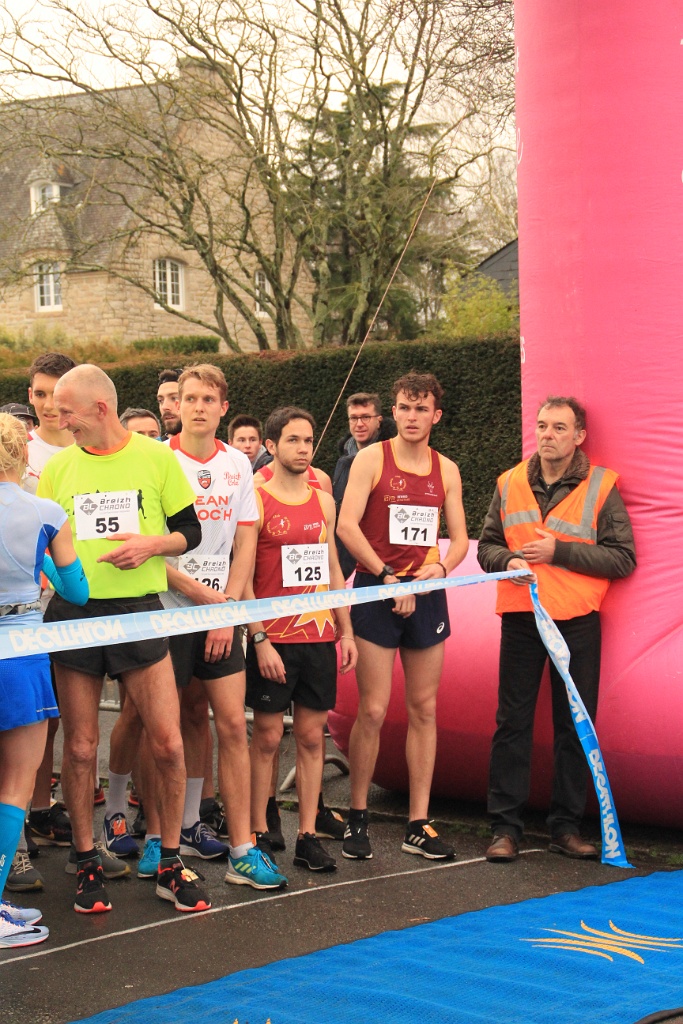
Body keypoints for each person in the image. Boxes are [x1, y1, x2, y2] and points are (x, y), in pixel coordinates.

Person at [37, 364, 211, 914]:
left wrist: (151, 546)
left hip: (138, 611)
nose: (60, 421)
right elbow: (43, 544)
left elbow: (191, 531)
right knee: (80, 746)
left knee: (168, 742)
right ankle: (86, 860)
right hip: (76, 614)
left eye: (68, 412)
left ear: (100, 408)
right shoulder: (58, 467)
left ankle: (170, 862)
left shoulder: (156, 457)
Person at [477, 396, 636, 863]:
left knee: (574, 726)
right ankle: (504, 830)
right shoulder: (509, 482)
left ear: (579, 436)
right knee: (512, 723)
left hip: (576, 620)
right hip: (522, 617)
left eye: (559, 428)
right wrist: (507, 560)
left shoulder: (601, 486)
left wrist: (558, 552)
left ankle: (565, 828)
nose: (547, 435)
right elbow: (487, 546)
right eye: (543, 426)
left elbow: (623, 558)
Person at [151, 364, 286, 890]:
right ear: (177, 405)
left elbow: (246, 542)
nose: (199, 407)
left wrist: (225, 609)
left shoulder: (237, 464)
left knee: (231, 725)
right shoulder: (156, 458)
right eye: (190, 398)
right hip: (166, 610)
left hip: (221, 612)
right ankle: (165, 838)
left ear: (223, 408)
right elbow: (147, 548)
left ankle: (243, 851)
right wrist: (200, 596)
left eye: (209, 399)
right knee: (169, 729)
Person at [337, 371, 468, 861]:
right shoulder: (371, 459)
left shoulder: (447, 469)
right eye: (404, 408)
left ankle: (418, 822)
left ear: (436, 416)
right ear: (393, 413)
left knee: (424, 709)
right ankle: (357, 817)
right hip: (378, 588)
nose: (412, 417)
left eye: (421, 409)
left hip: (425, 593)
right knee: (372, 709)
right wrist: (386, 575)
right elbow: (346, 526)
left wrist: (440, 568)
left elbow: (459, 539)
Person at [245, 407, 357, 873]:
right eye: (293, 440)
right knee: (268, 737)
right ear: (271, 446)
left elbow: (332, 571)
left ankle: (307, 835)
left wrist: (345, 629)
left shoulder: (324, 501)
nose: (303, 449)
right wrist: (259, 639)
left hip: (318, 636)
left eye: (308, 441)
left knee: (312, 737)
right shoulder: (255, 499)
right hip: (274, 639)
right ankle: (256, 830)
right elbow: (243, 577)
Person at [0, 412, 87, 947]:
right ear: (25, 455)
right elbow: (77, 591)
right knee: (15, 783)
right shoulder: (46, 512)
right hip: (20, 651)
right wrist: (46, 567)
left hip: (19, 646)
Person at [332, 392, 397, 579]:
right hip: (346, 561)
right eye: (354, 418)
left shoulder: (394, 457)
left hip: (384, 562)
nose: (359, 424)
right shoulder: (343, 461)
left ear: (379, 420)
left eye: (366, 417)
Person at [156, 368, 182, 439]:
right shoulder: (153, 445)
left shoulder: (209, 444)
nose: (164, 407)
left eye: (174, 398)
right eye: (160, 400)